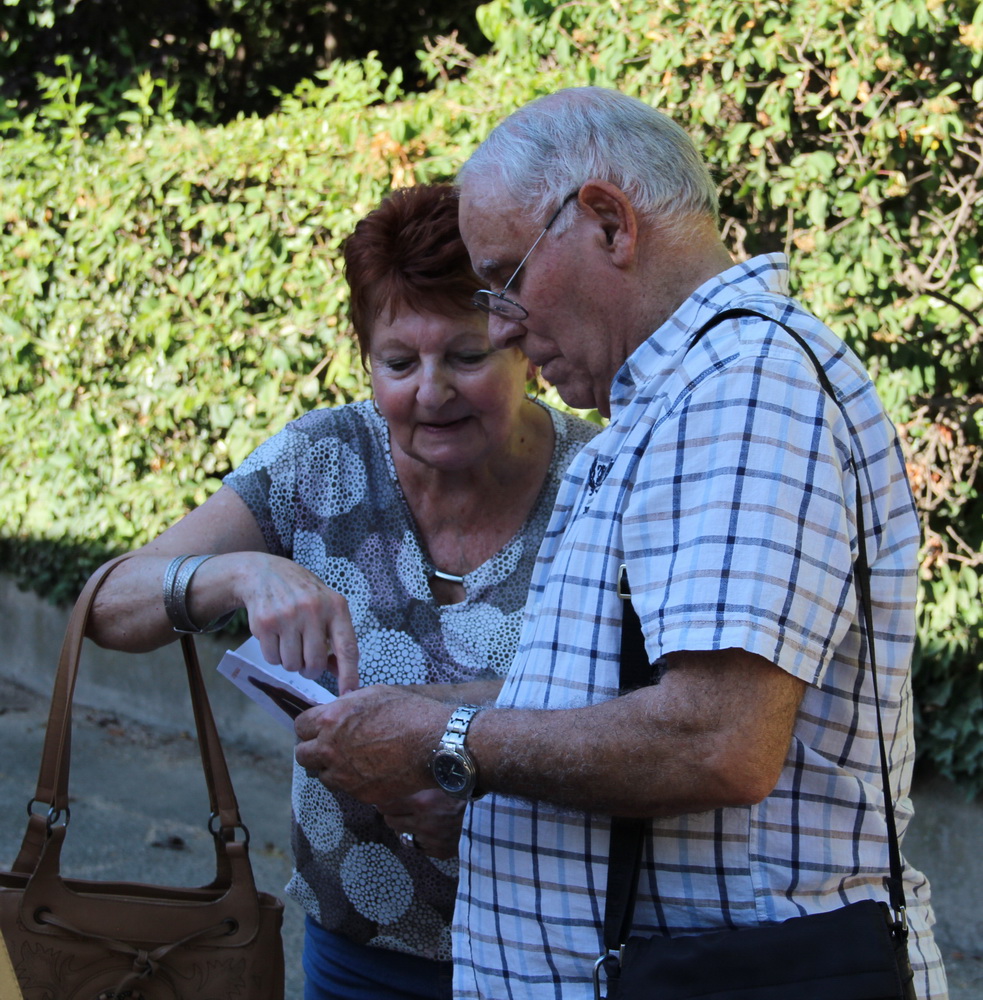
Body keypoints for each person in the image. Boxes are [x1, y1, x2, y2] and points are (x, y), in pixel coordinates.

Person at [292, 88, 948, 999]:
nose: (502, 324)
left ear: (606, 222)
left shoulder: (743, 388)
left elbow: (718, 740)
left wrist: (447, 739)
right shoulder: (682, 397)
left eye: (505, 279)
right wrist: (419, 721)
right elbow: (621, 694)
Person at [85, 182, 600, 1000]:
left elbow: (656, 710)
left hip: (558, 950)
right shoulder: (321, 461)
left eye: (465, 357)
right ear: (365, 359)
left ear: (522, 345)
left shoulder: (601, 481)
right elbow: (108, 606)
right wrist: (238, 572)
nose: (430, 391)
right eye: (398, 363)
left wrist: (476, 771)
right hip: (357, 952)